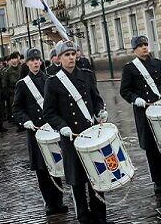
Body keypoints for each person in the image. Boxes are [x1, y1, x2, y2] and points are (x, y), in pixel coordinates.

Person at [42, 40, 107, 224]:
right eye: (66, 55)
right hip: (70, 137)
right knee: (77, 179)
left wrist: (101, 111)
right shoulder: (53, 82)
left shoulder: (86, 75)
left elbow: (96, 99)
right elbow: (49, 112)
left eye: (73, 54)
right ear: (59, 58)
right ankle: (83, 216)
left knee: (96, 175)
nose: (71, 58)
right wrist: (61, 126)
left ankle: (100, 215)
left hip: (90, 134)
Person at [10, 48, 68, 215]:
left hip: (52, 130)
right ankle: (49, 203)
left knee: (55, 166)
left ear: (41, 62)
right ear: (27, 63)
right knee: (42, 170)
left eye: (37, 60)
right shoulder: (22, 84)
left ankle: (59, 200)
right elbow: (17, 109)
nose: (35, 63)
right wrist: (26, 121)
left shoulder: (50, 80)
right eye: (31, 60)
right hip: (35, 132)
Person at [119, 35, 161, 194]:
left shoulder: (158, 63)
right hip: (144, 112)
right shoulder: (130, 68)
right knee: (152, 148)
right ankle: (157, 181)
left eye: (145, 44)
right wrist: (135, 98)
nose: (144, 47)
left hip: (160, 110)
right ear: (134, 49)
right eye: (140, 46)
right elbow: (125, 91)